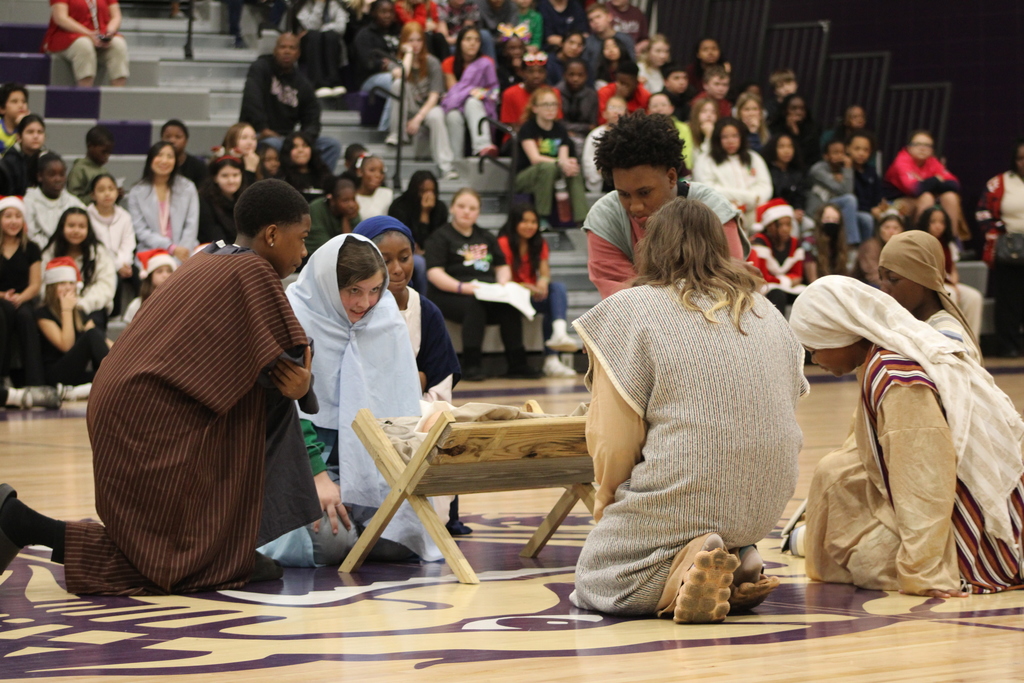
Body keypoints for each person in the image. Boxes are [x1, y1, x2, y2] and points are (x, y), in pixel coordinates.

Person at [0, 179, 322, 594]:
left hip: (127, 402)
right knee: (175, 565)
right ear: (273, 234)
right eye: (302, 238)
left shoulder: (210, 256)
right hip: (148, 414)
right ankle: (24, 522)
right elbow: (294, 361)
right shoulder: (253, 268)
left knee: (175, 550)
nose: (303, 251)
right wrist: (303, 384)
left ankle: (226, 552)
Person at [570, 197, 805, 622]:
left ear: (650, 247)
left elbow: (613, 439)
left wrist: (608, 505)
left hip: (687, 494)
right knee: (717, 521)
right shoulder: (766, 309)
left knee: (598, 578)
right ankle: (741, 556)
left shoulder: (630, 308)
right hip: (764, 502)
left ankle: (685, 568)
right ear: (721, 246)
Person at [789, 275, 1024, 597]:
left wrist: (922, 571)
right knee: (834, 473)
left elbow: (925, 482)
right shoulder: (880, 359)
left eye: (815, 350)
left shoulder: (895, 377)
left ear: (840, 334)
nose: (815, 361)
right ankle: (805, 539)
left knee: (863, 558)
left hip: (980, 531)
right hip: (951, 500)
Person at [259, 232, 442, 567]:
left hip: (371, 465)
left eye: (375, 290)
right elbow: (286, 413)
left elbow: (401, 407)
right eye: (353, 291)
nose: (365, 303)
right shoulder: (295, 314)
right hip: (305, 465)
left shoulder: (385, 316)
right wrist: (318, 476)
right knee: (330, 544)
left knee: (398, 542)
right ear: (329, 285)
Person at [584, 111, 746, 299]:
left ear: (671, 177)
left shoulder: (714, 208)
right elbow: (623, 302)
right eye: (624, 194)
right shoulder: (603, 218)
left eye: (645, 193)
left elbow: (730, 289)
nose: (635, 206)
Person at [425, 187, 541, 380]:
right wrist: (462, 287)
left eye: (472, 208)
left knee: (509, 306)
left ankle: (517, 363)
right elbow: (434, 272)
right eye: (461, 206)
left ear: (478, 212)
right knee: (474, 304)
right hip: (448, 294)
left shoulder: (486, 236)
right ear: (452, 208)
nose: (467, 211)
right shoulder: (440, 237)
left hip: (485, 291)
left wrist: (503, 282)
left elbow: (502, 265)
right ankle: (471, 364)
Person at [355, 216, 461, 400]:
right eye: (385, 261)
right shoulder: (353, 309)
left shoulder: (427, 312)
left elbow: (440, 381)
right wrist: (414, 380)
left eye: (404, 258)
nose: (397, 269)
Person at [497, 202, 579, 377]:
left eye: (534, 222)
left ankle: (556, 345)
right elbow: (503, 277)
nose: (530, 226)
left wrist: (542, 282)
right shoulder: (503, 243)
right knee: (550, 293)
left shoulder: (539, 243)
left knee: (556, 289)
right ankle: (554, 344)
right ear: (515, 222)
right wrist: (525, 286)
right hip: (511, 296)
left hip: (531, 295)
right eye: (525, 221)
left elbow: (544, 271)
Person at [240, 33, 342, 173]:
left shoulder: (302, 83)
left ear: (298, 53)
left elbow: (312, 116)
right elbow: (251, 101)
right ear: (275, 50)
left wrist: (302, 139)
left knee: (331, 145)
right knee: (272, 145)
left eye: (292, 48)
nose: (287, 51)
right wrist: (263, 128)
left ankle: (318, 182)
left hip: (288, 138)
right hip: (258, 134)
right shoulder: (260, 68)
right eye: (282, 47)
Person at [878, 229, 980, 360]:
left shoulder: (946, 339)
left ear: (924, 279)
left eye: (893, 279)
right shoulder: (908, 325)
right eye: (881, 278)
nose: (883, 289)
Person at [385, 22, 458, 180]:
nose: (415, 44)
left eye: (419, 40)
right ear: (404, 41)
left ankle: (446, 167)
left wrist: (418, 118)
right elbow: (402, 76)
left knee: (437, 115)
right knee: (398, 84)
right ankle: (397, 134)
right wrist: (409, 54)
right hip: (407, 107)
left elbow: (434, 95)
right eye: (411, 40)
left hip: (427, 109)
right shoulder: (396, 61)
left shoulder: (432, 62)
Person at [33, 257, 108, 393]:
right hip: (55, 375)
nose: (68, 288)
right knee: (90, 335)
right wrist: (66, 310)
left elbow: (100, 341)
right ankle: (115, 374)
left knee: (101, 378)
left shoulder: (78, 311)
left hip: (76, 373)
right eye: (61, 283)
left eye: (71, 283)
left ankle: (117, 374)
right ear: (52, 287)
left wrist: (127, 353)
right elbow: (66, 346)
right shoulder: (42, 313)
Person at [515, 86, 589, 226]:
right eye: (546, 104)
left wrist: (568, 164)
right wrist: (560, 163)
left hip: (551, 173)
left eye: (554, 104)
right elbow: (535, 159)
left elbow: (563, 158)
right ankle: (542, 217)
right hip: (525, 177)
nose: (551, 108)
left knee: (572, 170)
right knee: (547, 167)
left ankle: (582, 219)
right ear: (535, 108)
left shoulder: (560, 129)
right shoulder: (528, 128)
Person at [979, 138, 1024, 357]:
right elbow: (983, 213)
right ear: (1014, 160)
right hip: (1011, 249)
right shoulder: (1000, 182)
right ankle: (1009, 345)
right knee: (1009, 300)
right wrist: (999, 231)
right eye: (1021, 158)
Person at [884, 130, 969, 240]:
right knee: (926, 197)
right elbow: (914, 189)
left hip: (921, 198)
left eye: (927, 145)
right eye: (917, 144)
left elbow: (954, 185)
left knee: (950, 197)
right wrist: (936, 180)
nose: (923, 148)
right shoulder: (902, 161)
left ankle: (951, 241)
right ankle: (921, 241)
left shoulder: (932, 161)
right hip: (898, 201)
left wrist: (928, 183)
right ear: (909, 147)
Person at [41, 207, 117, 329]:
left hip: (90, 307)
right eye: (71, 226)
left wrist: (81, 304)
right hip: (56, 306)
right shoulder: (50, 252)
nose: (76, 231)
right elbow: (42, 283)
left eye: (81, 227)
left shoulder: (99, 253)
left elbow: (106, 287)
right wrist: (62, 304)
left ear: (88, 229)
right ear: (62, 228)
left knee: (92, 328)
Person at [912, 206, 983, 336]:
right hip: (929, 284)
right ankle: (952, 339)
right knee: (951, 295)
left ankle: (972, 341)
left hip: (948, 282)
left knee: (974, 297)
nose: (938, 226)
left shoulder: (949, 244)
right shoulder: (919, 244)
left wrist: (954, 280)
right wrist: (948, 283)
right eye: (933, 222)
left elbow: (953, 270)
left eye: (942, 222)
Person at [692, 117, 772, 229]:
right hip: (721, 213)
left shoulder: (753, 157)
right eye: (725, 137)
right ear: (717, 139)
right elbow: (708, 189)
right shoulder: (705, 160)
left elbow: (764, 185)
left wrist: (751, 201)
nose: (731, 141)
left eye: (735, 136)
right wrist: (746, 197)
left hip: (754, 209)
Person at [0, 196, 45, 387]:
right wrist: (3, 296)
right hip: (0, 300)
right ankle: (3, 376)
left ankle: (35, 383)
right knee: (3, 312)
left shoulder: (32, 248)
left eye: (18, 216)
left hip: (23, 298)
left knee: (27, 317)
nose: (13, 221)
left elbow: (35, 284)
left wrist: (20, 297)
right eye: (8, 216)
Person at [128, 141, 200, 261]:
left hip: (186, 250)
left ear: (176, 161)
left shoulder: (187, 187)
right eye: (159, 155)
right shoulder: (137, 192)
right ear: (150, 159)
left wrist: (182, 250)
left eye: (170, 156)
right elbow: (141, 230)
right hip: (152, 251)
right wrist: (170, 248)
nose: (164, 161)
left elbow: (191, 224)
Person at [441, 26, 501, 159]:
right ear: (460, 42)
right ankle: (455, 161)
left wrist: (476, 93)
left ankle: (483, 146)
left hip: (481, 105)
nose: (473, 43)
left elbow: (494, 91)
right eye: (468, 39)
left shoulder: (486, 63)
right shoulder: (449, 63)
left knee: (472, 102)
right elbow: (453, 93)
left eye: (477, 40)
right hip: (456, 105)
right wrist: (471, 90)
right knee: (453, 116)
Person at [41, 0, 129, 87]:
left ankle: (118, 93)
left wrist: (109, 33)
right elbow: (60, 18)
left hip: (100, 34)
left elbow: (116, 16)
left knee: (118, 44)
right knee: (84, 45)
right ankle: (85, 95)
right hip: (68, 35)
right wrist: (88, 33)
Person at [806, 138, 870, 245]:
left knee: (866, 219)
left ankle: (864, 253)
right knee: (850, 199)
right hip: (818, 209)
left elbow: (847, 191)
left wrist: (845, 173)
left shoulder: (842, 170)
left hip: (836, 209)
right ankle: (851, 245)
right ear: (825, 156)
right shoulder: (818, 170)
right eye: (836, 153)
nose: (840, 156)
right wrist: (848, 169)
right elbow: (846, 192)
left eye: (843, 153)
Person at [87, 173, 135, 315]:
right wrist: (116, 266)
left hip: (123, 263)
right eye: (101, 190)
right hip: (97, 263)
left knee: (139, 277)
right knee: (114, 278)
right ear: (93, 195)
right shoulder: (87, 215)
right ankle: (114, 315)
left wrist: (122, 263)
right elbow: (93, 248)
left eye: (111, 189)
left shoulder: (124, 216)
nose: (107, 193)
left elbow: (128, 243)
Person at [353, 1, 403, 134]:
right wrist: (387, 66)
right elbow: (367, 63)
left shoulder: (399, 31)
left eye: (390, 12)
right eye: (383, 12)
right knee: (396, 84)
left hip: (399, 73)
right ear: (374, 13)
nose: (387, 15)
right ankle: (385, 129)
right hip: (370, 78)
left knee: (399, 84)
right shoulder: (365, 34)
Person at [747, 199, 805, 311]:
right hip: (765, 289)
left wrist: (782, 281)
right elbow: (761, 276)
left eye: (788, 225)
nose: (786, 229)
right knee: (778, 294)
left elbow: (798, 275)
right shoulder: (760, 241)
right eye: (781, 225)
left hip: (785, 287)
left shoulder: (794, 243)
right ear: (771, 226)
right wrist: (786, 281)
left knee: (805, 295)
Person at [24, 153, 86, 249]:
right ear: (40, 176)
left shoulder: (74, 202)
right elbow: (30, 235)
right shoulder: (29, 201)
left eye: (61, 175)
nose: (58, 179)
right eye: (52, 175)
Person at [291, 0, 349, 96]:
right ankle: (318, 83)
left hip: (331, 43)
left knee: (330, 36)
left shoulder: (336, 4)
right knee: (314, 36)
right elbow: (312, 26)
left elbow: (341, 27)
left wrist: (324, 30)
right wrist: (319, 4)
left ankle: (334, 81)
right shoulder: (303, 6)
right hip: (310, 45)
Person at [388, 169, 447, 254]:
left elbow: (437, 239)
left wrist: (425, 213)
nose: (428, 196)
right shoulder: (399, 206)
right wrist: (424, 213)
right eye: (423, 191)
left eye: (432, 191)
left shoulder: (440, 208)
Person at [500, 52, 561, 134]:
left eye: (540, 71)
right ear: (522, 73)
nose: (536, 75)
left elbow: (556, 120)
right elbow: (510, 125)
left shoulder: (553, 93)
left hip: (548, 137)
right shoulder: (510, 93)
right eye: (531, 72)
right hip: (518, 138)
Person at [763, 132, 809, 233]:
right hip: (774, 212)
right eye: (781, 147)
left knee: (810, 225)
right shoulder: (767, 170)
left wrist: (798, 209)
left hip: (796, 213)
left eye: (790, 146)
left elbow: (801, 196)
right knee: (791, 224)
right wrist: (790, 212)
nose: (787, 151)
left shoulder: (797, 172)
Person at [198, 156, 247, 244]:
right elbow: (213, 234)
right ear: (215, 178)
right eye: (225, 176)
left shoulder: (246, 198)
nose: (231, 180)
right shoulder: (205, 200)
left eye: (235, 175)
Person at [307, 176, 361, 256]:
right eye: (345, 200)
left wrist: (345, 219)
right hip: (313, 257)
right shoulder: (316, 209)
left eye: (353, 199)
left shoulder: (351, 212)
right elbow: (325, 248)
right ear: (332, 200)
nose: (352, 205)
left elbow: (353, 247)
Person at [583, 95, 627, 193]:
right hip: (602, 179)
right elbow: (588, 161)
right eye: (612, 108)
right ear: (604, 114)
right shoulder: (595, 135)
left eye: (620, 108)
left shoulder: (630, 135)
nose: (616, 111)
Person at [121, 248, 176, 324]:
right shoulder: (137, 305)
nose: (165, 275)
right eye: (159, 271)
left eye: (169, 271)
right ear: (150, 276)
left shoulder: (178, 301)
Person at [769, 94, 819, 176]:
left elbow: (811, 159)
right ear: (785, 110)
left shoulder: (812, 131)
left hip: (803, 173)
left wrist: (796, 134)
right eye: (794, 108)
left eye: (802, 109)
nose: (798, 112)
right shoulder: (774, 129)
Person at [582, 4, 634, 83]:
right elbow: (584, 68)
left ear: (609, 17)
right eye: (591, 20)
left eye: (598, 17)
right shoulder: (588, 42)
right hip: (594, 84)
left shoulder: (625, 39)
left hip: (622, 83)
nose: (595, 22)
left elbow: (632, 64)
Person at [555, 58, 597, 153]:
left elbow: (593, 125)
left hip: (584, 137)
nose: (575, 79)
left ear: (586, 76)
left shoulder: (591, 95)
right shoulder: (556, 92)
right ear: (564, 75)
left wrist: (580, 130)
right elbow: (557, 123)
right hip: (559, 135)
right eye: (571, 74)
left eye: (580, 75)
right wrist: (584, 127)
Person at [0, 115, 48, 199]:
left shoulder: (49, 160)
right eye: (30, 132)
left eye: (40, 132)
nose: (36, 136)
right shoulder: (8, 162)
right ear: (19, 137)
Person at [279, 131, 334, 204]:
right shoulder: (282, 178)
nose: (300, 150)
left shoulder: (323, 175)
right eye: (294, 147)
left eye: (304, 146)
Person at [853, 210, 903, 288]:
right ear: (879, 230)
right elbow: (873, 275)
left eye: (895, 228)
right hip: (867, 286)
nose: (891, 232)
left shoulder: (904, 248)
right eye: (887, 227)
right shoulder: (870, 246)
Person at [67, 125, 114, 203]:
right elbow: (73, 199)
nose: (107, 156)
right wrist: (96, 196)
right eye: (103, 152)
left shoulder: (104, 171)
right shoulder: (79, 170)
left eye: (109, 152)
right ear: (90, 146)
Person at [802, 203, 848, 283]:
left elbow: (843, 275)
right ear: (819, 220)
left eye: (835, 220)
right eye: (827, 219)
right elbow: (812, 280)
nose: (831, 222)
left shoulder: (839, 242)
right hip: (813, 288)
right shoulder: (809, 241)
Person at [849, 131, 887, 223]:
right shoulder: (845, 170)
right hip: (855, 212)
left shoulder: (871, 171)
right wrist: (870, 210)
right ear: (847, 148)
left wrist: (880, 205)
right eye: (857, 149)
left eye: (866, 150)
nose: (861, 153)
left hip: (872, 210)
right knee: (867, 219)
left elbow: (878, 194)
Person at [160, 120, 208, 189]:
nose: (172, 140)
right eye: (168, 137)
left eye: (178, 137)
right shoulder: (157, 163)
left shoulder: (198, 167)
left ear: (186, 141)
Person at [354, 154, 394, 218]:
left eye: (381, 172)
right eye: (372, 170)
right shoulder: (352, 198)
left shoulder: (387, 194)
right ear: (360, 171)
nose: (378, 175)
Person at [685, 97, 718, 164]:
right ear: (696, 114)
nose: (709, 115)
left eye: (713, 112)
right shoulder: (687, 130)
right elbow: (699, 161)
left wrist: (709, 136)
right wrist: (708, 137)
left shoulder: (719, 132)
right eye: (704, 111)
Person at [0, 84, 29, 155]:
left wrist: (23, 124)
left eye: (24, 101)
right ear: (2, 109)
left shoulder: (30, 127)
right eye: (14, 101)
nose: (21, 105)